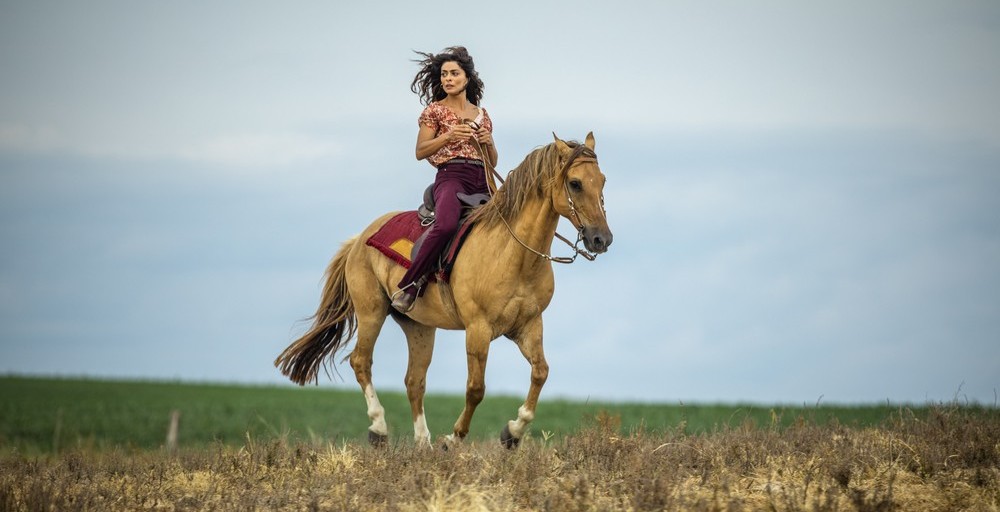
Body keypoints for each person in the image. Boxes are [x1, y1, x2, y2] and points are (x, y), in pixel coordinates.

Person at [391, 46, 498, 312]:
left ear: (467, 78)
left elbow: (493, 161)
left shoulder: (482, 115)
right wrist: (448, 137)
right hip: (451, 177)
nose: (448, 79)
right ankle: (410, 284)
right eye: (444, 74)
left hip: (482, 177)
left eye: (454, 74)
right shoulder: (434, 112)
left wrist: (488, 142)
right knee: (447, 224)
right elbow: (420, 151)